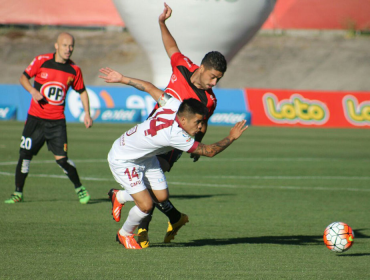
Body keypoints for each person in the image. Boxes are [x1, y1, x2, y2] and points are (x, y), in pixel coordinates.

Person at [116, 2, 228, 248]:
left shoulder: (209, 100)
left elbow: (202, 123)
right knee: (152, 185)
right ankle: (144, 213)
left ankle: (140, 227)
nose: (214, 82)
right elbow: (171, 47)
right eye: (213, 77)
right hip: (154, 129)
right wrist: (162, 23)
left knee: (156, 181)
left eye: (218, 79)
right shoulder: (183, 66)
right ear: (201, 68)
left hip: (175, 141)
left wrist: (196, 145)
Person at [100, 69, 247, 249]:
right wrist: (231, 137)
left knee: (161, 196)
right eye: (197, 123)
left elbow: (148, 87)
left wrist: (122, 78)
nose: (200, 128)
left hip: (144, 155)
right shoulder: (176, 135)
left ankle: (119, 195)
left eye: (202, 123)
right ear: (183, 120)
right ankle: (124, 234)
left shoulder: (174, 104)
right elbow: (209, 151)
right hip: (124, 159)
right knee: (146, 205)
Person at [4, 32, 93, 204]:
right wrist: (32, 91)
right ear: (56, 46)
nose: (69, 49)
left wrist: (87, 113)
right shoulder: (41, 61)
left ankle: (79, 188)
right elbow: (23, 78)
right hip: (35, 120)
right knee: (25, 156)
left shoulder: (74, 70)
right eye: (65, 45)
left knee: (62, 160)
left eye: (71, 46)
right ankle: (18, 193)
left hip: (57, 123)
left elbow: (82, 91)